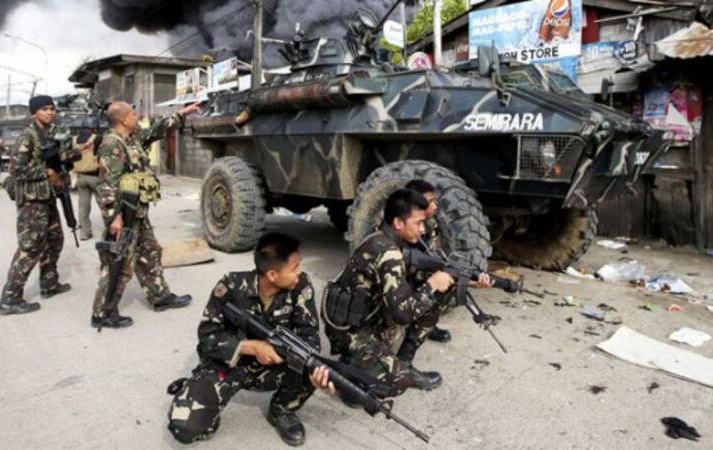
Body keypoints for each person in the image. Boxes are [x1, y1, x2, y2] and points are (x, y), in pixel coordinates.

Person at [167, 233, 334, 446]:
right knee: (185, 427)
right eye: (294, 268)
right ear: (272, 274)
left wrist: (316, 375)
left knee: (309, 364)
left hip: (276, 365)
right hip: (230, 365)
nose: (299, 272)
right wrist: (251, 347)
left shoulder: (300, 286)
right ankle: (198, 388)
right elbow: (207, 338)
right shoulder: (230, 286)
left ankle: (282, 409)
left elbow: (309, 336)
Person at [324, 189, 456, 395]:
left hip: (360, 317)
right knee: (397, 383)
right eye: (418, 223)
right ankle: (351, 377)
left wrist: (456, 279)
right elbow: (403, 315)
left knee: (431, 301)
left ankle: (398, 362)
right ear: (398, 223)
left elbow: (407, 275)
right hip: (352, 331)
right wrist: (431, 284)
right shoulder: (388, 252)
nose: (422, 229)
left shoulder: (379, 235)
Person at [91, 101, 198, 328]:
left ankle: (159, 296)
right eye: (133, 113)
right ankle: (102, 313)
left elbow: (157, 130)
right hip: (124, 214)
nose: (137, 116)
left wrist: (181, 114)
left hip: (138, 211)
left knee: (150, 252)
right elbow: (107, 184)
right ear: (123, 119)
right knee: (119, 261)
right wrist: (113, 217)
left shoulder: (133, 138)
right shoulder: (112, 144)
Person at [0, 96, 75, 315]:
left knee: (55, 240)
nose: (50, 112)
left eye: (52, 108)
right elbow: (16, 170)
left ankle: (49, 283)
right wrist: (47, 172)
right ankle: (10, 298)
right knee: (30, 247)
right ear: (34, 113)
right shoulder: (27, 137)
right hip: (32, 202)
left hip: (47, 198)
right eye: (44, 109)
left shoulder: (48, 135)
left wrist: (78, 153)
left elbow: (55, 159)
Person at [404, 179, 493, 343]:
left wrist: (465, 279)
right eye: (430, 201)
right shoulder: (401, 225)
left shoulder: (430, 223)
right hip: (398, 280)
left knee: (447, 281)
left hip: (413, 272)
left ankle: (424, 324)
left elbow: (431, 256)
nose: (435, 206)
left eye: (435, 200)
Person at [72, 117, 102, 241]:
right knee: (105, 205)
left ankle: (84, 233)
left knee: (83, 206)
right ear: (94, 127)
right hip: (96, 177)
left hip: (80, 177)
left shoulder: (74, 139)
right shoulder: (97, 138)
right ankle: (111, 231)